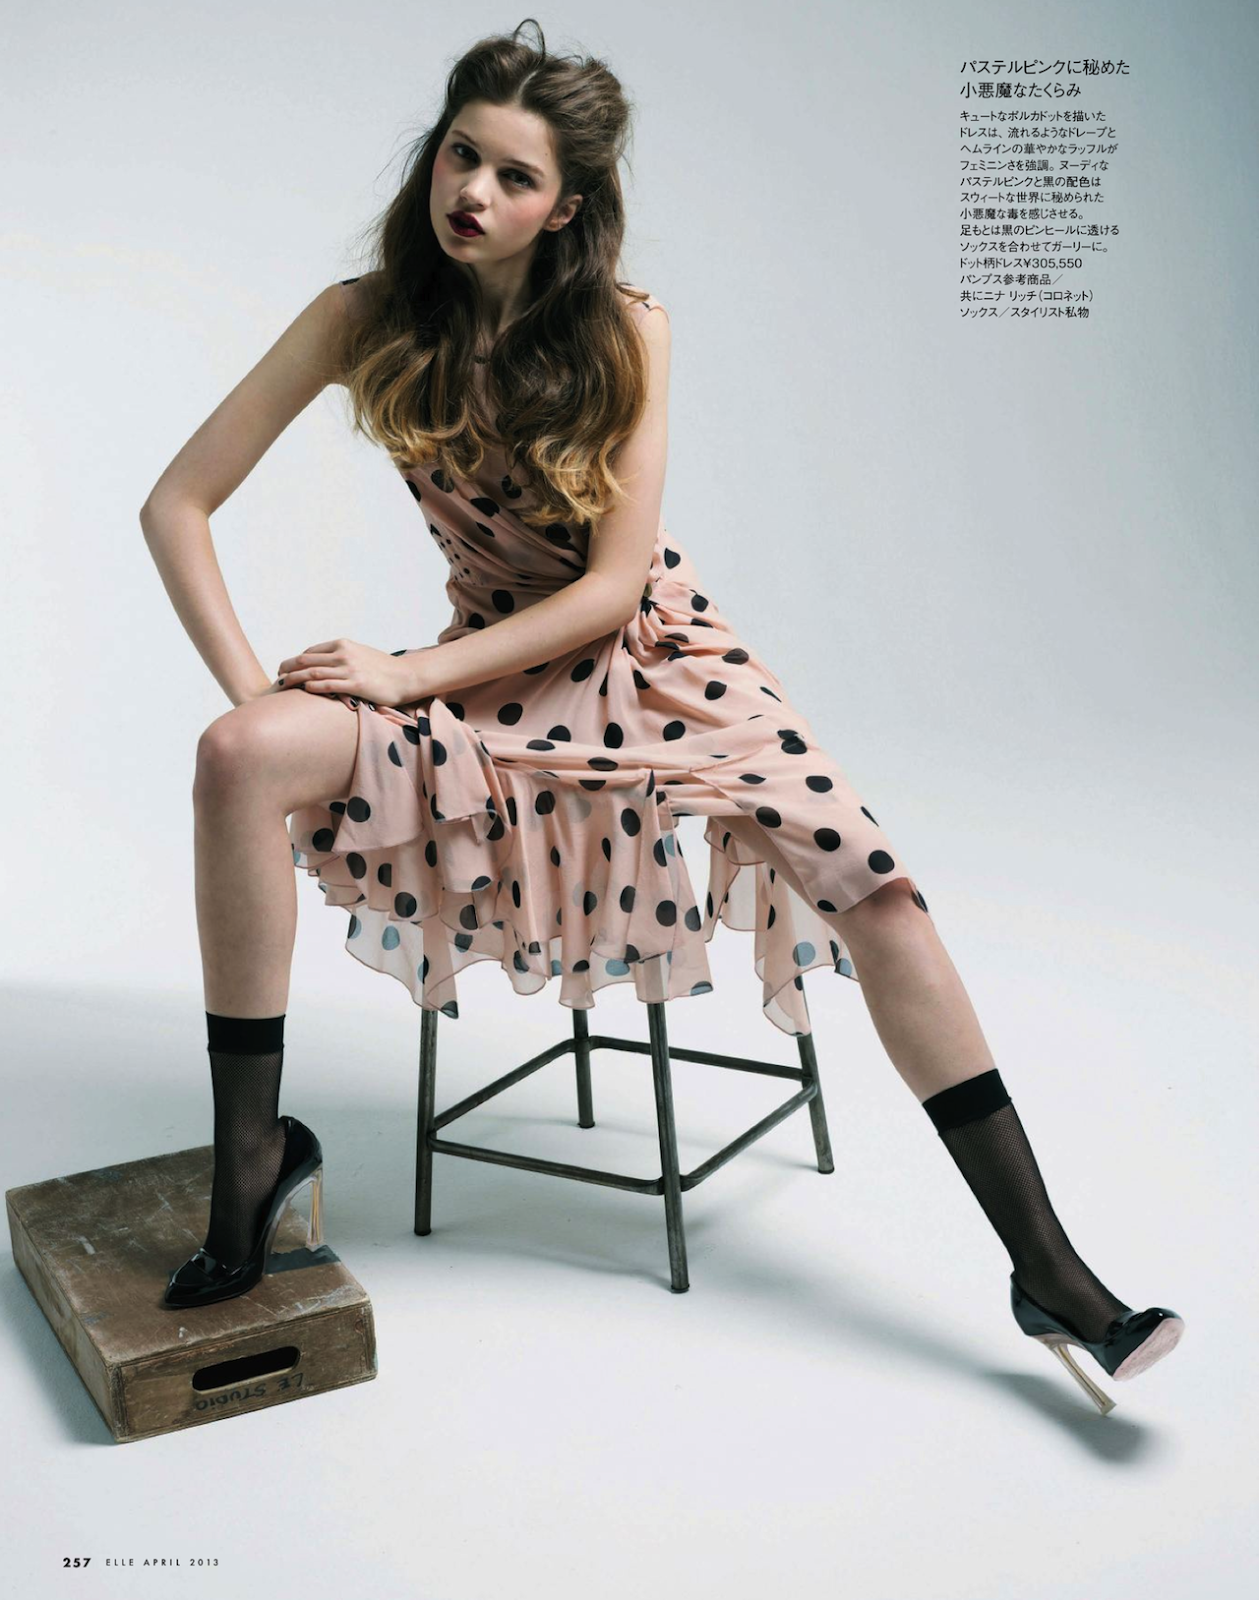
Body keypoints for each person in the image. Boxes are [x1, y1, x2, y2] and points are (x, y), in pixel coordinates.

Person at [140, 19, 1182, 1407]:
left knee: (878, 894)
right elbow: (176, 503)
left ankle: (1048, 1271)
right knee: (235, 755)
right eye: (461, 155)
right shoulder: (362, 315)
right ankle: (252, 1167)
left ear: (566, 207)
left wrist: (399, 676)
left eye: (514, 177)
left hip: (657, 664)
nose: (472, 193)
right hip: (484, 673)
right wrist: (264, 690)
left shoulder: (627, 329)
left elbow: (608, 590)